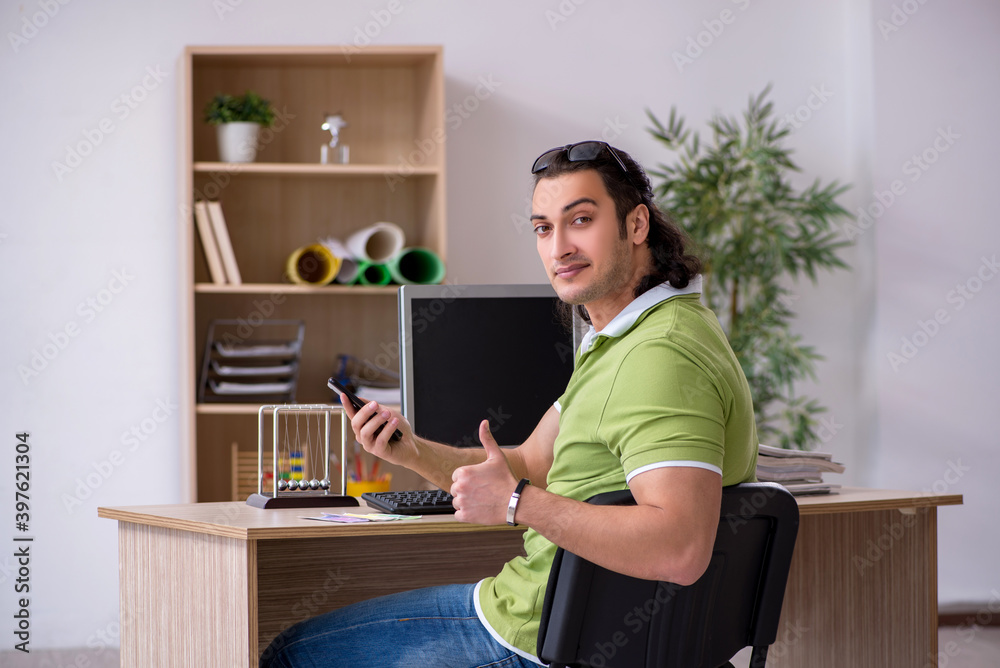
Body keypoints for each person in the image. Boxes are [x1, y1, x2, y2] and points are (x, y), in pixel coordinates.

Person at [260, 141, 758, 668]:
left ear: (637, 225)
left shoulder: (660, 355)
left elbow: (679, 549)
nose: (558, 247)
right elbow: (530, 464)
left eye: (581, 219)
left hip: (544, 640)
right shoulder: (630, 338)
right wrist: (411, 451)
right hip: (583, 632)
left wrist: (518, 503)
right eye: (543, 228)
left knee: (289, 655)